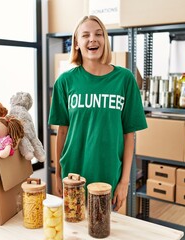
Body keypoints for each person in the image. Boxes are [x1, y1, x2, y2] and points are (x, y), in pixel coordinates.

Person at [48, 15, 147, 211]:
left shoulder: (125, 79)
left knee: (102, 230)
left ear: (105, 41)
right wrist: (58, 175)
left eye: (98, 34)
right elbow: (62, 132)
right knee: (74, 229)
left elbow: (129, 135)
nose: (92, 39)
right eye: (85, 35)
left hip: (108, 174)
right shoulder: (65, 82)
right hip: (73, 174)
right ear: (77, 43)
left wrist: (124, 182)